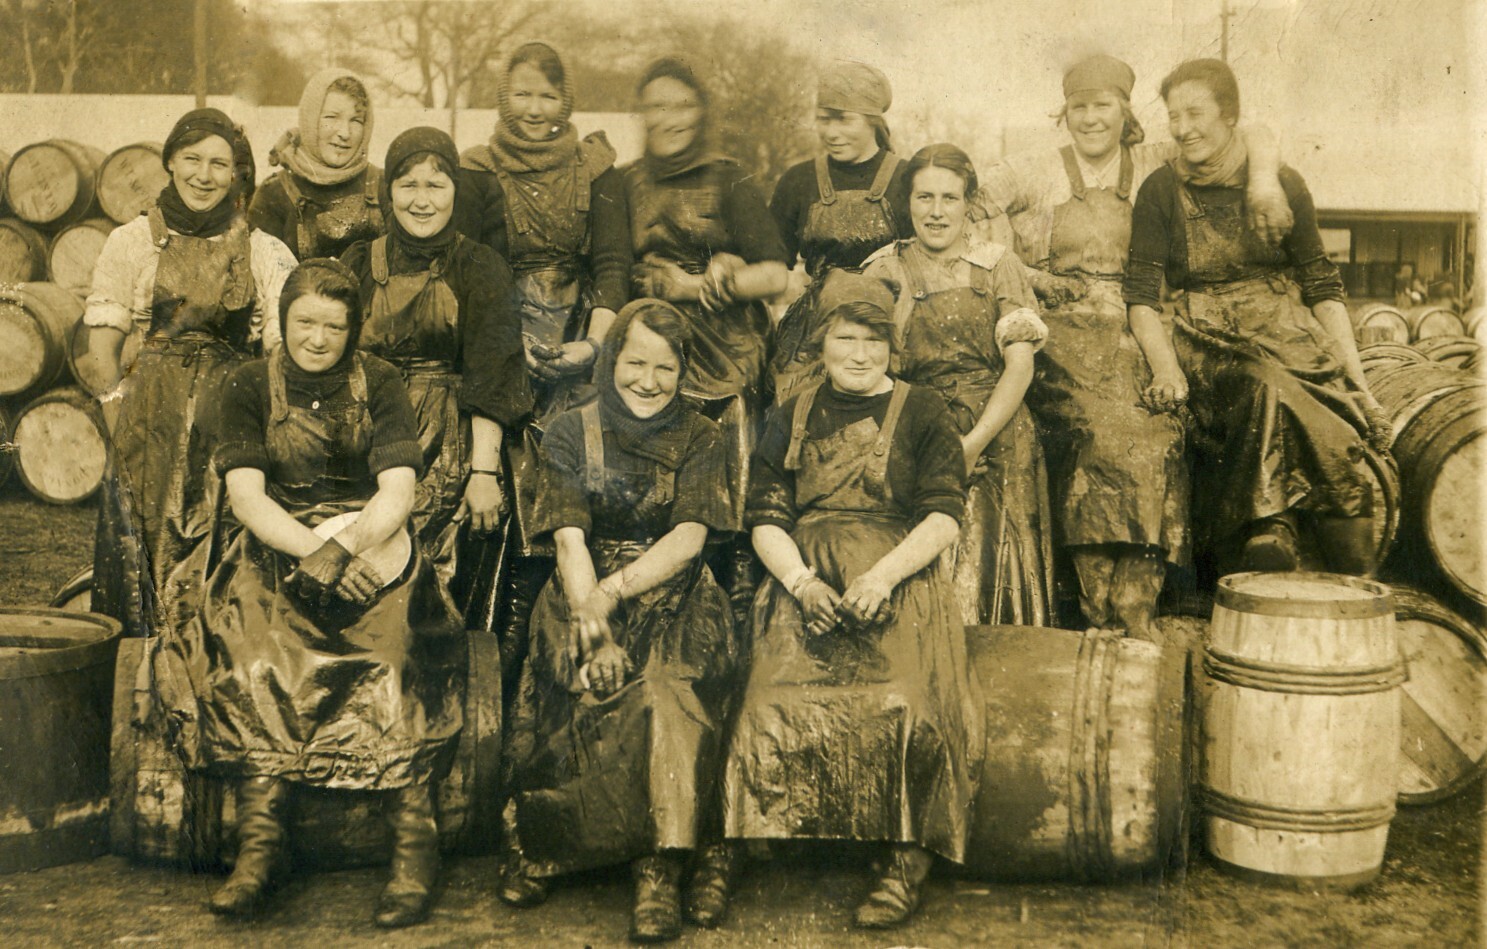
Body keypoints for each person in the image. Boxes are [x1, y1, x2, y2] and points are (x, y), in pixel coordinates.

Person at [154, 259, 463, 928]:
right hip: (275, 541)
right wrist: (312, 551)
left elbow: (399, 491)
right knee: (256, 656)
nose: (318, 338)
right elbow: (246, 497)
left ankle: (415, 852)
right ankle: (261, 850)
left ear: (353, 329)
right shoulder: (243, 382)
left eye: (334, 325)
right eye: (305, 322)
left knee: (393, 654)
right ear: (281, 318)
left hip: (369, 539)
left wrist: (346, 547)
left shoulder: (378, 380)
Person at [965, 54, 1291, 639]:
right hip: (1059, 329)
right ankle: (1096, 606)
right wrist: (1026, 275)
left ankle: (1136, 605)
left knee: (1160, 429)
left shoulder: (1154, 162)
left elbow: (1255, 135)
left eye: (1103, 105)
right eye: (1079, 106)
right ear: (1064, 113)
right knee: (1095, 431)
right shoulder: (1033, 167)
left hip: (1139, 323)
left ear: (1124, 110)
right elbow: (962, 206)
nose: (1091, 118)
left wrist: (1265, 180)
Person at [723, 271, 978, 930]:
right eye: (845, 338)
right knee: (763, 697)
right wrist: (802, 582)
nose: (859, 354)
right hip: (803, 576)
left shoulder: (923, 411)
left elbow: (944, 516)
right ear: (823, 341)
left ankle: (903, 856)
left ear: (891, 347)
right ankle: (747, 843)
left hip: (894, 577)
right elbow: (763, 516)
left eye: (873, 340)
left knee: (907, 702)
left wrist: (881, 578)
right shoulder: (791, 413)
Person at [497, 301, 738, 944]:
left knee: (663, 692)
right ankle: (551, 846)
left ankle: (659, 866)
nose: (648, 380)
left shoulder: (703, 436)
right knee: (575, 687)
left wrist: (617, 592)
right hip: (582, 586)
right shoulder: (568, 430)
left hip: (674, 588)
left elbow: (689, 537)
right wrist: (592, 621)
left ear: (683, 372)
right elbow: (570, 540)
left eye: (666, 367)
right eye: (635, 362)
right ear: (610, 360)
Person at [1124, 59, 1392, 577]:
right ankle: (1274, 528)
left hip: (1283, 329)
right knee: (1263, 384)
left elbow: (1320, 284)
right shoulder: (1160, 189)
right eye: (1174, 116)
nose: (1182, 129)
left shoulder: (1283, 182)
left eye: (1195, 113)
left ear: (1230, 117)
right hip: (1205, 335)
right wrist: (1165, 368)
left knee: (1337, 409)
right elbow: (1140, 296)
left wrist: (1354, 373)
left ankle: (1316, 542)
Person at [81, 107, 296, 638]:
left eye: (219, 164)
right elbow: (100, 349)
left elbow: (279, 350)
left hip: (226, 423)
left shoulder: (262, 250)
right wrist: (117, 421)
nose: (204, 175)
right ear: (171, 162)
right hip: (146, 426)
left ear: (236, 174)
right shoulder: (131, 242)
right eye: (192, 158)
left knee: (219, 560)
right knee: (141, 567)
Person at [456, 39, 634, 673]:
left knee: (573, 507)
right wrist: (508, 343)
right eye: (523, 94)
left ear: (567, 101)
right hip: (501, 334)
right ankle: (494, 672)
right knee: (499, 518)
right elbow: (475, 268)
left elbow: (614, 264)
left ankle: (565, 664)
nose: (535, 108)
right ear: (504, 97)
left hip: (583, 338)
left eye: (548, 95)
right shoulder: (475, 168)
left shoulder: (597, 168)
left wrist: (592, 345)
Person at [621, 56, 789, 627]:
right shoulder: (627, 182)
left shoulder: (728, 177)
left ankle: (739, 603)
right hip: (651, 343)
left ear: (702, 111)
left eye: (682, 104)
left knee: (732, 463)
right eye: (657, 105)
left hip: (724, 348)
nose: (669, 118)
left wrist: (697, 283)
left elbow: (775, 275)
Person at [340, 128, 534, 614]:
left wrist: (482, 472)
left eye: (436, 185)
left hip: (449, 442)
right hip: (367, 433)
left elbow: (492, 374)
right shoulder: (360, 262)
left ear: (456, 192)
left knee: (431, 579)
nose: (421, 201)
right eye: (407, 185)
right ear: (389, 192)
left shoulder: (480, 266)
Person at [863, 144, 1054, 625]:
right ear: (906, 202)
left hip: (995, 421)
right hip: (915, 420)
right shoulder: (882, 268)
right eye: (924, 197)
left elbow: (1019, 367)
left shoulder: (998, 264)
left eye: (950, 198)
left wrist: (971, 444)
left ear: (970, 203)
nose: (936, 212)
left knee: (998, 509)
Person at [768, 60, 912, 404]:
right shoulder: (798, 181)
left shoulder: (907, 179)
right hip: (815, 329)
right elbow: (770, 264)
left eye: (844, 119)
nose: (831, 132)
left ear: (874, 121)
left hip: (891, 325)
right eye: (823, 119)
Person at [250, 69, 384, 269]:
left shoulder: (383, 186)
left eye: (356, 120)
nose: (344, 133)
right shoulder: (275, 194)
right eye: (332, 117)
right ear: (310, 120)